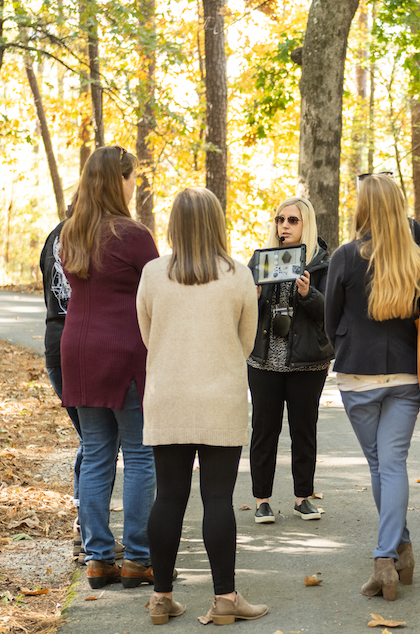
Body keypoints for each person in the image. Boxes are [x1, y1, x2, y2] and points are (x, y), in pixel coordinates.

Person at [137, 187, 267, 625]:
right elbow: (246, 341)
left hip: (167, 397)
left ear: (174, 224)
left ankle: (161, 598)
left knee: (168, 497)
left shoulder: (153, 274)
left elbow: (147, 333)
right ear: (217, 222)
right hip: (221, 397)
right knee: (218, 498)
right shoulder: (239, 274)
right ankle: (226, 599)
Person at [325, 173, 420, 602]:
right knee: (393, 465)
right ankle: (399, 550)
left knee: (379, 465)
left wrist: (346, 347)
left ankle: (385, 559)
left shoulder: (345, 257)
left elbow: (330, 318)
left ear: (363, 208)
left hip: (359, 375)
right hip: (406, 375)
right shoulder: (416, 260)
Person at [59, 145, 159, 590]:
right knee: (139, 453)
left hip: (78, 351)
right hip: (124, 351)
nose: (133, 182)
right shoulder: (132, 235)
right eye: (131, 176)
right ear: (118, 180)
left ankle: (99, 558)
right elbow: (160, 291)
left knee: (97, 454)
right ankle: (138, 557)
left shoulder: (70, 233)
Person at [247, 197, 333, 524]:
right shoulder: (258, 261)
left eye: (292, 220)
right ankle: (262, 501)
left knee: (304, 430)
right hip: (265, 361)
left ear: (305, 223)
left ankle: (303, 498)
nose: (284, 226)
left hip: (307, 362)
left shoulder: (323, 263)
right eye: (280, 219)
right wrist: (252, 298)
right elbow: (241, 314)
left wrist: (309, 294)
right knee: (264, 431)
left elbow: (331, 315)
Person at [39, 200, 87, 556]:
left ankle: (85, 528)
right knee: (98, 441)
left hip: (55, 348)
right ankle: (87, 531)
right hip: (81, 345)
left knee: (92, 438)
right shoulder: (91, 237)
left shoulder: (53, 236)